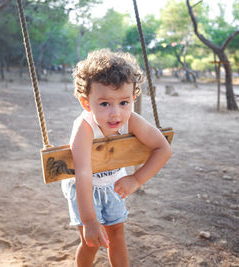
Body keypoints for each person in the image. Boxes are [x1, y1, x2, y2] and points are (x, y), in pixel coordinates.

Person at [61, 49, 172, 267]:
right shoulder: (84, 128)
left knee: (117, 234)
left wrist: (136, 179)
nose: (116, 114)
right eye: (104, 104)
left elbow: (163, 148)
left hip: (113, 183)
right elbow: (83, 174)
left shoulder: (131, 120)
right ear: (86, 103)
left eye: (123, 102)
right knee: (90, 242)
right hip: (84, 188)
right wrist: (90, 221)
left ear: (132, 98)